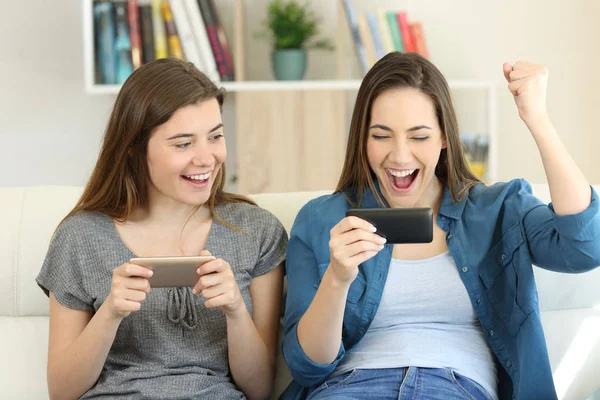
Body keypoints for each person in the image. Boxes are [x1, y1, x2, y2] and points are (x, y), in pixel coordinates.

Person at [280, 52, 600, 400]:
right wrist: (337, 279)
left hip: (455, 387)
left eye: (419, 136)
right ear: (363, 138)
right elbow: (306, 367)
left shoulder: (498, 210)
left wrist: (538, 119)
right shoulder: (320, 220)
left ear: (445, 137)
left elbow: (587, 247)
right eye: (381, 135)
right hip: (349, 388)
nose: (400, 156)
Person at [36, 58, 287, 400]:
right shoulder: (80, 237)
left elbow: (260, 390)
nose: (206, 158)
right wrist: (110, 313)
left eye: (215, 137)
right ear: (133, 150)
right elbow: (62, 392)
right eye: (183, 144)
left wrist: (236, 312)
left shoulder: (256, 231)